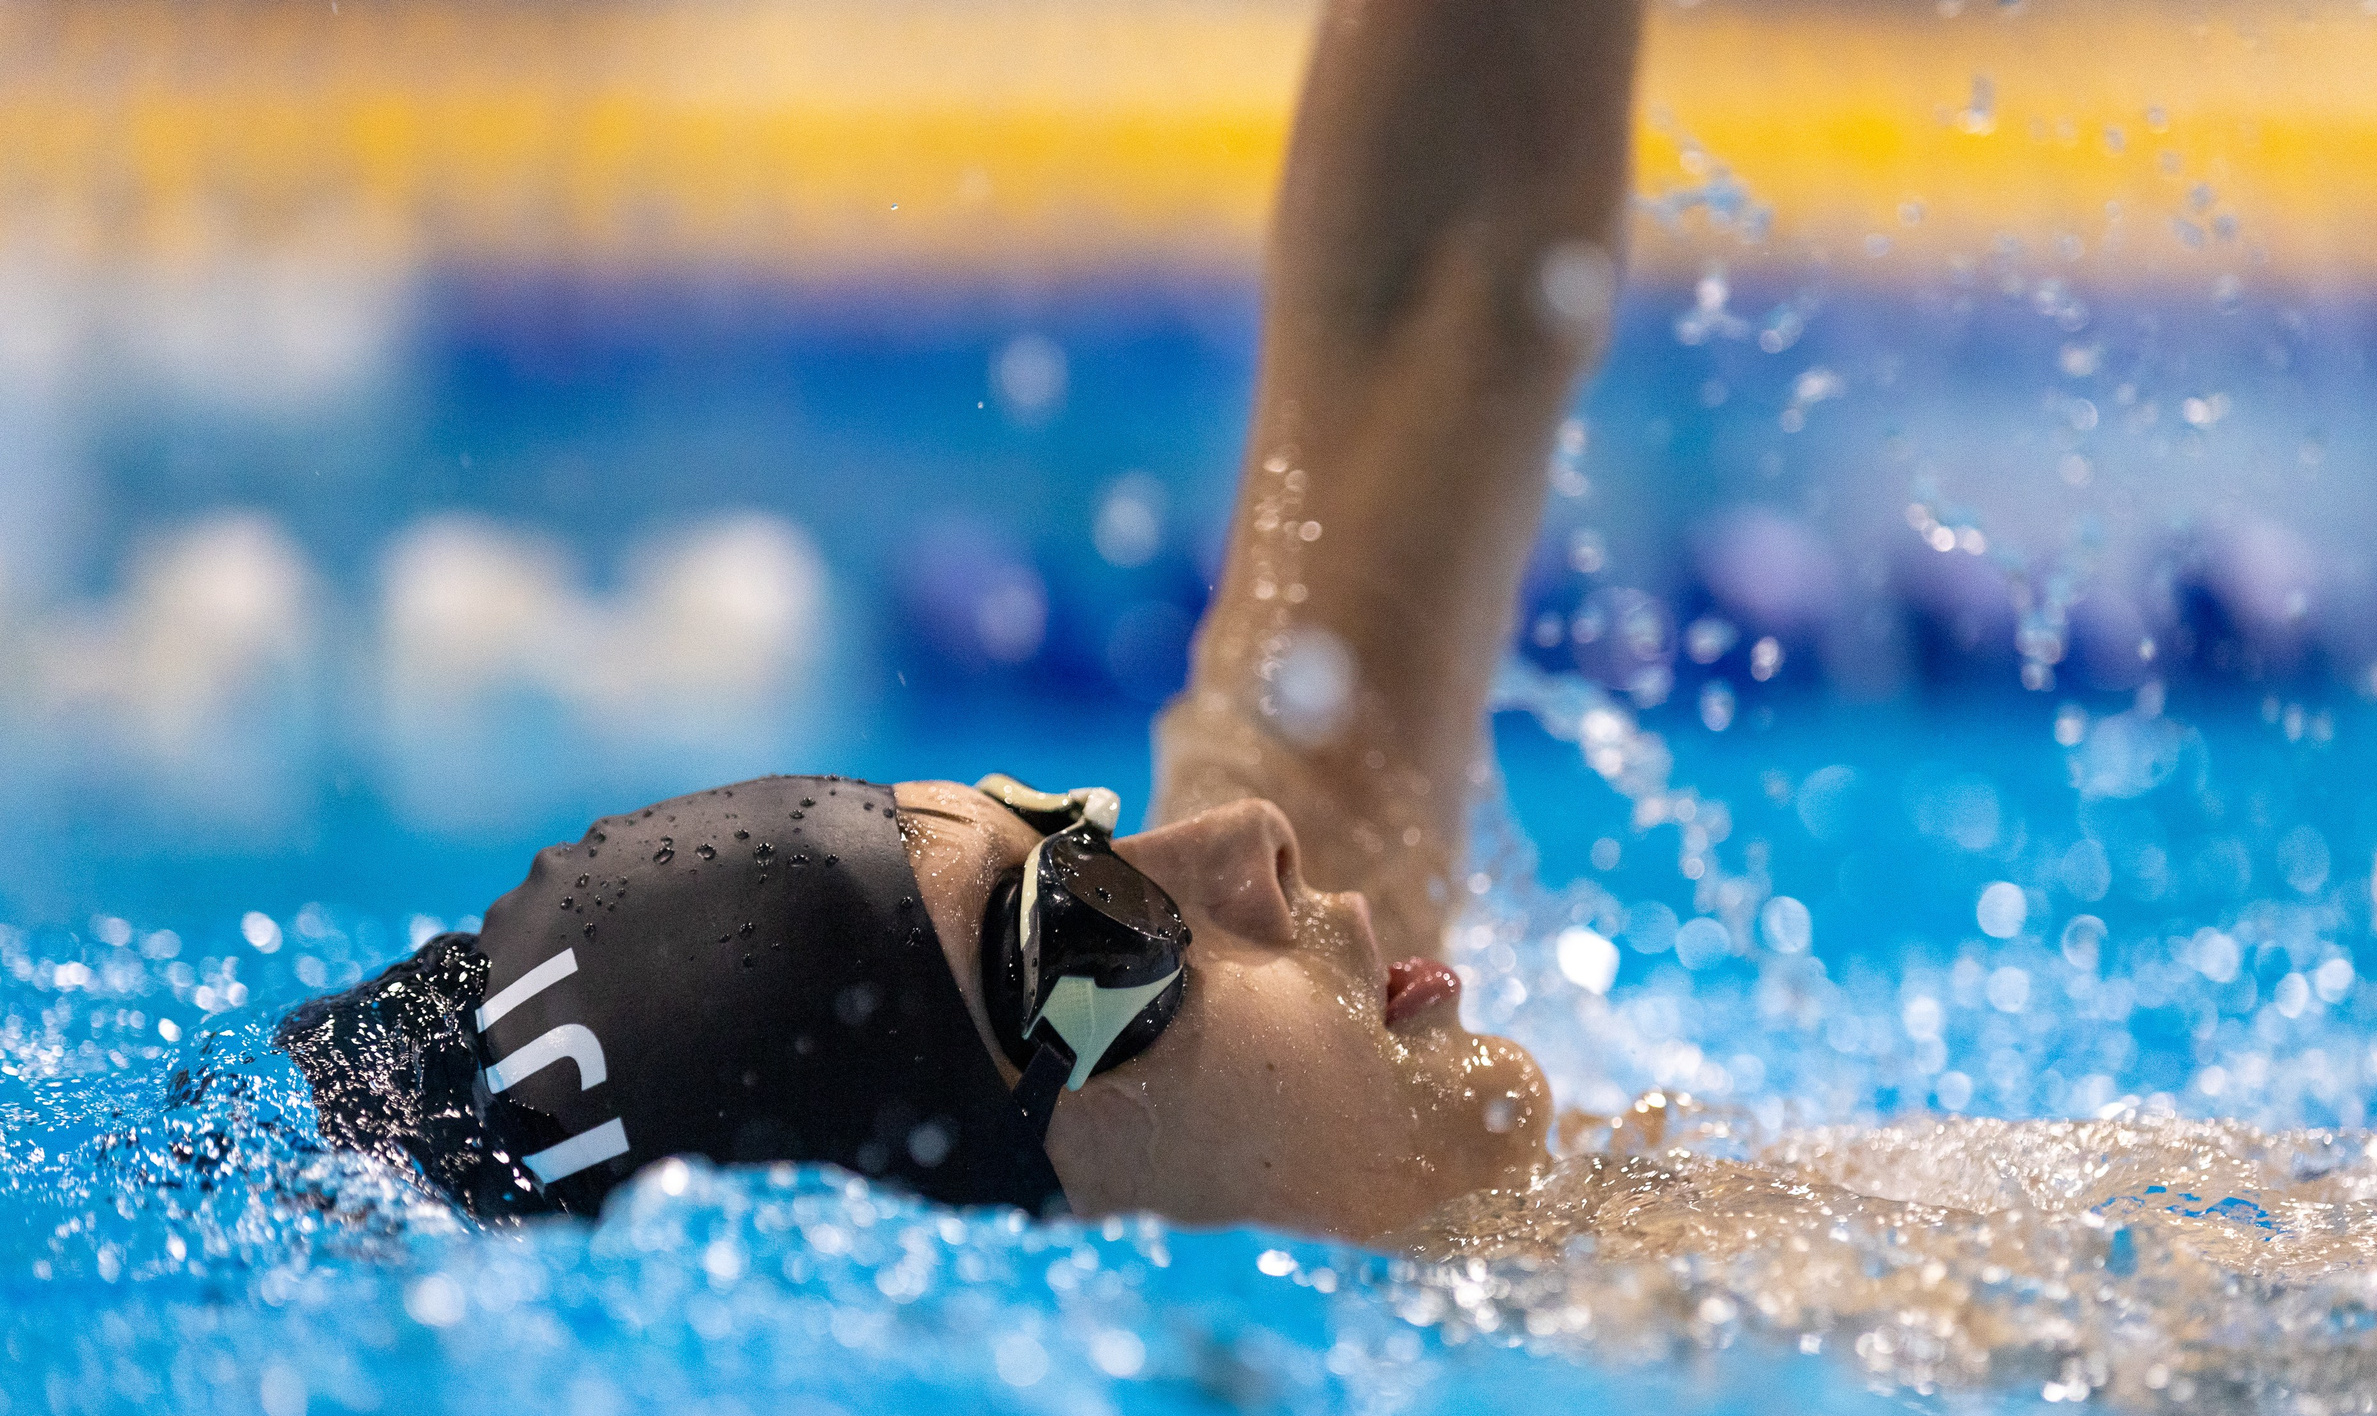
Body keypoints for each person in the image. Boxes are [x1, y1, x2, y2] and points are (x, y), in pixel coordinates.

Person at [283, 0, 1643, 1247]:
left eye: (1082, 838)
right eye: (1098, 934)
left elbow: (1444, 289)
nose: (1251, 843)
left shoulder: (1286, 1093)